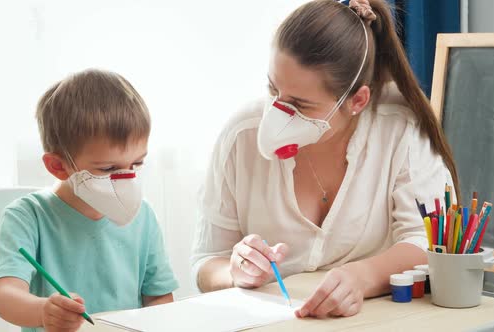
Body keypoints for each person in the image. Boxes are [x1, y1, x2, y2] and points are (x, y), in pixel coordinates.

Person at [191, 0, 459, 319]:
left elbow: (432, 242)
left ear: (357, 101)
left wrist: (363, 277)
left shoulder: (401, 130)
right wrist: (236, 272)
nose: (277, 115)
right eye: (273, 89)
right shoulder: (241, 135)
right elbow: (207, 262)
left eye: (301, 105)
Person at [0, 69, 178, 332]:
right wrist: (44, 312)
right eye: (108, 169)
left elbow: (158, 296)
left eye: (137, 163)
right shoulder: (27, 216)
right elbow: (7, 296)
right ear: (58, 166)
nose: (125, 179)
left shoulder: (143, 215)